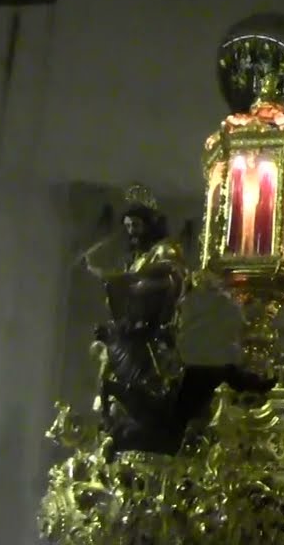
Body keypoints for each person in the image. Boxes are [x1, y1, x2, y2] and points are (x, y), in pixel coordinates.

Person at [82, 184, 191, 451]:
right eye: (128, 226)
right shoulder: (134, 259)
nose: (131, 232)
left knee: (146, 376)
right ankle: (112, 417)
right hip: (131, 327)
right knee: (105, 358)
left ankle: (143, 413)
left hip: (154, 329)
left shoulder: (165, 250)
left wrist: (131, 284)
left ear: (149, 225)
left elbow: (172, 280)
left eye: (136, 225)